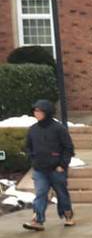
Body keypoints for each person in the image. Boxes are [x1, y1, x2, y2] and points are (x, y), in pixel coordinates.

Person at [22, 99, 75, 231]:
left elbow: (68, 148)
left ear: (47, 112)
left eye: (39, 111)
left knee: (61, 193)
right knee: (40, 193)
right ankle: (37, 219)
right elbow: (27, 147)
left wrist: (62, 164)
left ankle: (68, 214)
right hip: (40, 169)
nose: (36, 113)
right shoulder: (33, 130)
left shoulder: (59, 129)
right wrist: (33, 159)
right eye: (35, 111)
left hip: (57, 169)